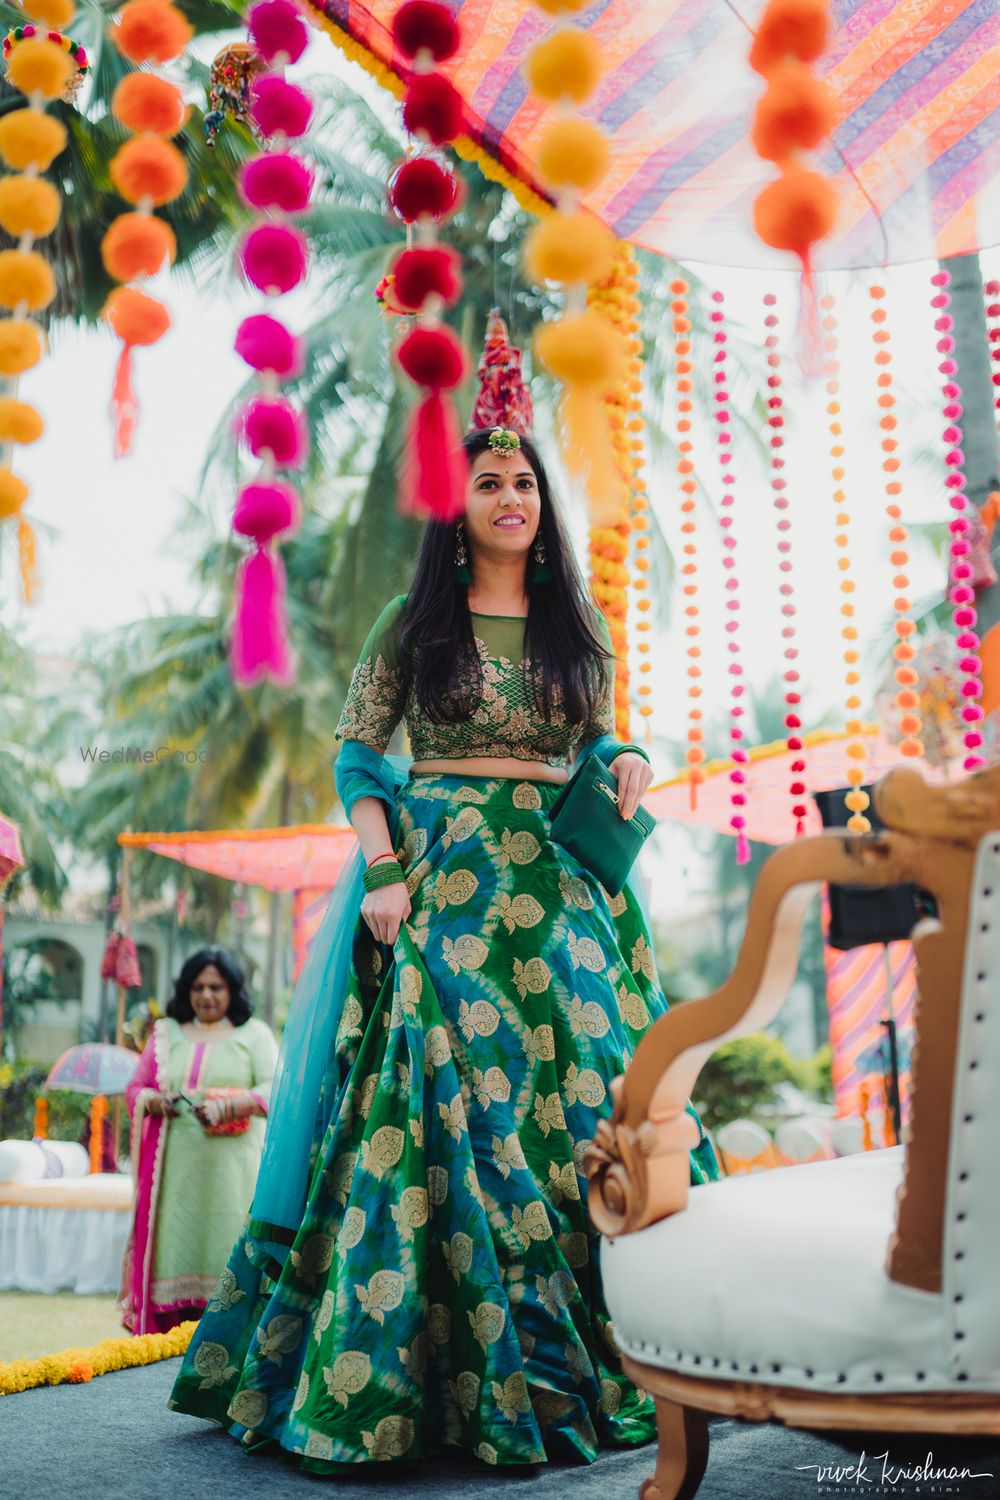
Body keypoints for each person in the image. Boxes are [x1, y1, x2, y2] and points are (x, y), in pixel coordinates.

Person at [169, 427, 717, 1470]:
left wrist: (631, 755)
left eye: (524, 482)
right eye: (488, 482)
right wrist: (381, 873)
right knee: (450, 1099)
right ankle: (424, 1379)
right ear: (454, 505)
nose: (511, 496)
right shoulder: (414, 620)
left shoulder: (575, 620)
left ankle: (650, 1347)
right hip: (444, 890)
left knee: (597, 1098)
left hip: (559, 899)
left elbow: (597, 739)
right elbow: (359, 756)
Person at [120, 946, 278, 1334]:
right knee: (174, 1248)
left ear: (232, 991)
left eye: (216, 987)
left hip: (235, 1174)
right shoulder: (166, 1033)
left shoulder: (253, 1034)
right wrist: (157, 1101)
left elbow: (277, 1087)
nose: (206, 996)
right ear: (186, 990)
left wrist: (229, 1107)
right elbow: (135, 1088)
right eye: (198, 987)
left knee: (230, 1246)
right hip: (175, 1174)